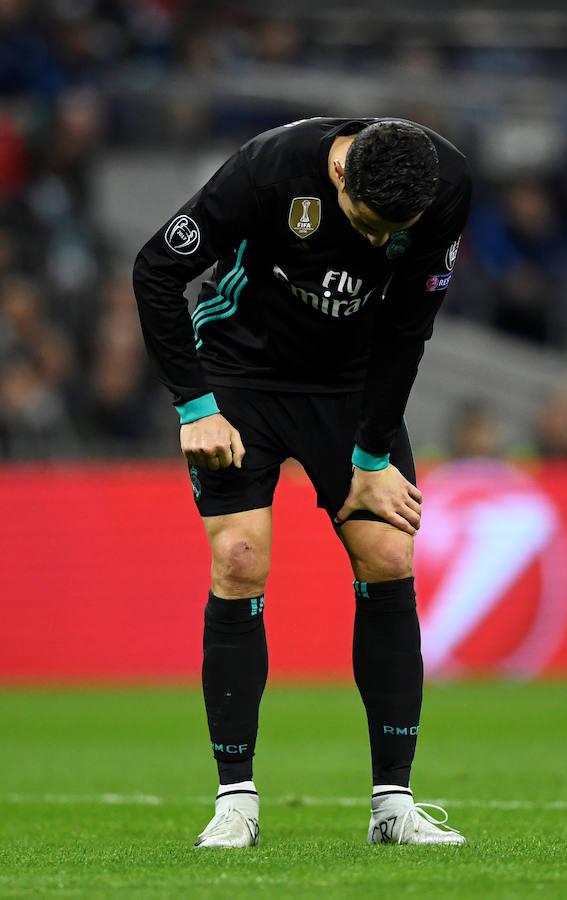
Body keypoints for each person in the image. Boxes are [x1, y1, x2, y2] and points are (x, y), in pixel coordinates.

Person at [133, 117, 471, 848]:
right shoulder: (267, 169)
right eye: (368, 226)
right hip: (239, 373)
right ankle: (236, 802)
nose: (380, 244)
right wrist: (195, 407)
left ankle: (393, 805)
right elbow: (155, 269)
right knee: (240, 560)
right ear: (341, 177)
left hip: (348, 388)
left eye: (395, 232)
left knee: (389, 557)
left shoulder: (445, 185)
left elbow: (409, 328)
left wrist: (373, 456)